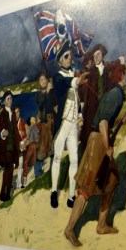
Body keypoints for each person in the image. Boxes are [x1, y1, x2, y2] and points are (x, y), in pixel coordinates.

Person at [63, 64, 126, 247]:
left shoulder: (115, 93)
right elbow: (102, 123)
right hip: (98, 143)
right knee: (86, 187)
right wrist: (107, 147)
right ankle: (69, 228)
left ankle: (101, 225)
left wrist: (119, 121)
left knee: (110, 182)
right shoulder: (115, 94)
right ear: (121, 75)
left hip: (100, 139)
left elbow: (105, 119)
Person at [50, 43, 88, 209]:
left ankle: (71, 195)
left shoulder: (73, 74)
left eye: (70, 55)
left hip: (73, 124)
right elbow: (65, 82)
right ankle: (53, 191)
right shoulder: (58, 77)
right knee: (57, 157)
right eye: (66, 56)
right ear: (59, 61)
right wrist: (76, 80)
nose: (70, 58)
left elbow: (78, 99)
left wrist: (80, 115)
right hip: (62, 124)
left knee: (74, 160)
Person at [78, 44, 115, 155]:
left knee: (105, 132)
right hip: (92, 108)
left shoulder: (108, 69)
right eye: (94, 56)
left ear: (102, 55)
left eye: (98, 54)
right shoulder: (91, 72)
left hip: (105, 106)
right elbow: (83, 92)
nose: (96, 57)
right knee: (91, 134)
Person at [0, 91, 19, 201]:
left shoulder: (13, 113)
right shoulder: (2, 114)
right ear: (4, 101)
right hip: (6, 147)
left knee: (9, 170)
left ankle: (4, 193)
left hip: (12, 146)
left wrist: (20, 142)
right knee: (8, 169)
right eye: (8, 99)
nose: (10, 101)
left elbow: (15, 129)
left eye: (11, 98)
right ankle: (4, 193)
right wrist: (2, 133)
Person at [34, 73, 56, 179]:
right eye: (41, 79)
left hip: (52, 121)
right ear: (39, 83)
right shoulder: (38, 95)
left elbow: (55, 103)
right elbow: (41, 103)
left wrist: (51, 91)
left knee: (54, 146)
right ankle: (38, 173)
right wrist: (47, 92)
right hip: (44, 124)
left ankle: (53, 169)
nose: (43, 81)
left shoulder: (51, 92)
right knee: (42, 148)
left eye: (45, 79)